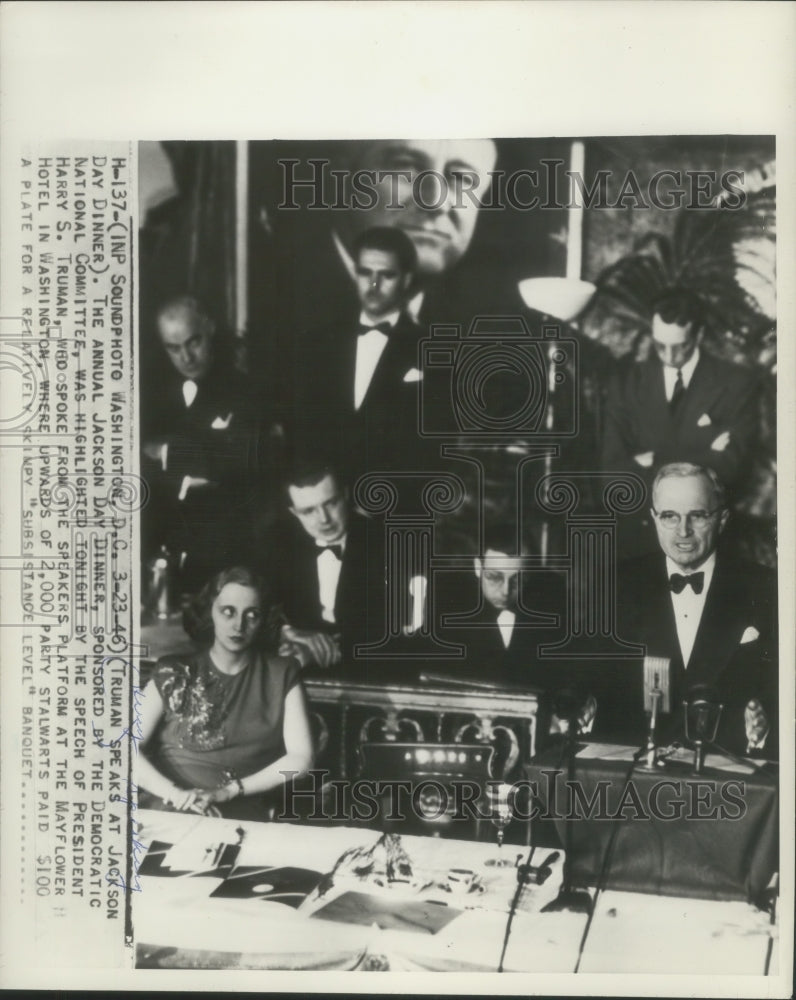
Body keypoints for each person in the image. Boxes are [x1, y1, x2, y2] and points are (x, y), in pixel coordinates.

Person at [611, 462, 777, 756]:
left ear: (722, 519)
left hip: (729, 780)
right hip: (634, 776)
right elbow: (596, 686)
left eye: (697, 516)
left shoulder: (765, 587)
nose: (683, 531)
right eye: (669, 516)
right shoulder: (618, 584)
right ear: (653, 518)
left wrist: (763, 732)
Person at [138, 566, 313, 821]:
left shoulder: (281, 673)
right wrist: (177, 796)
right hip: (167, 804)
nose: (238, 625)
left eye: (251, 615)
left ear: (263, 619)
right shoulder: (172, 670)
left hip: (241, 809)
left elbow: (301, 759)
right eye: (227, 612)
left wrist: (229, 792)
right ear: (210, 612)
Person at [601, 286, 760, 556]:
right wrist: (704, 450)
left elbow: (732, 469)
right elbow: (611, 477)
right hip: (636, 545)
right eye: (659, 345)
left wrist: (651, 459)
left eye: (680, 346)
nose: (668, 356)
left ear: (698, 335)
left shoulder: (736, 385)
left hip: (710, 546)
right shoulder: (625, 384)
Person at [141, 296, 276, 590]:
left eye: (193, 342)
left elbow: (241, 458)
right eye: (173, 348)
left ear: (210, 329)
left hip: (223, 551)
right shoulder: (153, 396)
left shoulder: (245, 390)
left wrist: (166, 451)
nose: (186, 357)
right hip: (160, 547)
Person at [289, 226, 434, 480]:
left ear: (406, 279)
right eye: (365, 273)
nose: (373, 285)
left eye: (386, 275)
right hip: (328, 501)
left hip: (395, 503)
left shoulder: (429, 349)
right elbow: (302, 429)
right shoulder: (319, 343)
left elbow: (429, 447)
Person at [263, 457, 388, 669]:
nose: (324, 519)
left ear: (345, 495)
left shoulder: (386, 543)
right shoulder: (278, 546)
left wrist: (317, 650)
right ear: (293, 512)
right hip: (296, 677)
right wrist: (286, 632)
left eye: (330, 503)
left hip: (371, 678)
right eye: (308, 511)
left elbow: (394, 634)